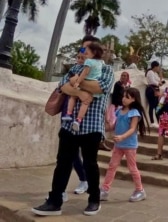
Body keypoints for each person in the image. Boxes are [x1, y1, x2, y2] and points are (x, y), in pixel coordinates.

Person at [32, 35, 114, 217]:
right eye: (81, 49)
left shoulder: (106, 69)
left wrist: (75, 81)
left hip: (91, 125)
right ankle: (54, 201)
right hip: (69, 125)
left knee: (90, 163)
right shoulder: (76, 67)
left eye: (86, 49)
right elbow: (62, 87)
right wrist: (78, 87)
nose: (82, 53)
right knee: (62, 163)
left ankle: (94, 199)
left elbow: (100, 87)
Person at [100, 88, 149, 202]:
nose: (123, 99)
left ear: (133, 99)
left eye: (127, 97)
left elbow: (132, 129)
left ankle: (140, 190)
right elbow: (113, 126)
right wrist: (104, 126)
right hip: (119, 145)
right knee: (112, 166)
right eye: (123, 96)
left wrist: (122, 136)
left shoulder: (134, 113)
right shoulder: (119, 110)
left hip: (130, 145)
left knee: (132, 168)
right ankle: (105, 190)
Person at [61, 43, 105, 132]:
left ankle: (69, 114)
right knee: (85, 102)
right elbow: (62, 85)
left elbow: (84, 73)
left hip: (87, 81)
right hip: (93, 84)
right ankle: (78, 120)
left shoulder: (89, 61)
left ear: (94, 52)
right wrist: (80, 93)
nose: (84, 53)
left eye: (86, 52)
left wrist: (77, 82)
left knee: (73, 97)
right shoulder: (100, 63)